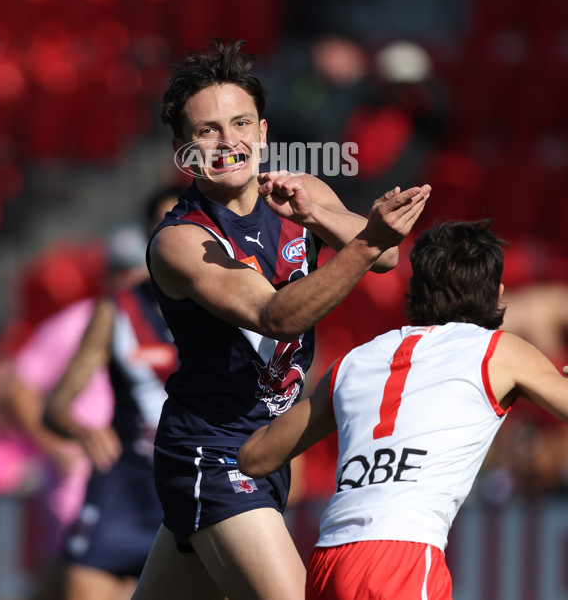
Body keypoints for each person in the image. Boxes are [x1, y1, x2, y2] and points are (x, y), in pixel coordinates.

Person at [130, 38, 431, 600]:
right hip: (211, 450)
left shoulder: (303, 191)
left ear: (264, 133)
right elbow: (278, 316)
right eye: (207, 132)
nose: (229, 142)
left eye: (241, 123)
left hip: (266, 448)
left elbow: (387, 256)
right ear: (183, 154)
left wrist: (319, 214)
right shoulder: (181, 241)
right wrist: (365, 246)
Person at [238, 219, 568, 600]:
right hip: (403, 556)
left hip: (329, 560)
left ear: (413, 291)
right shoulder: (498, 350)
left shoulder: (354, 361)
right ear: (497, 294)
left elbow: (255, 457)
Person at [43, 185, 182, 600]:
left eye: (184, 222)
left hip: (194, 484)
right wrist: (84, 431)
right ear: (148, 238)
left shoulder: (231, 304)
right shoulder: (116, 309)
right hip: (123, 485)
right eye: (162, 225)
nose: (174, 234)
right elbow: (55, 408)